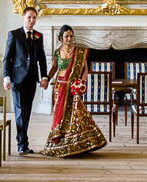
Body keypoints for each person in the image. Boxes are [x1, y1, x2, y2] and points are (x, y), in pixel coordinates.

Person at [41, 25, 108, 157]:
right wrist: (47, 79)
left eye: (71, 36)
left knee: (75, 115)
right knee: (59, 116)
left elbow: (85, 70)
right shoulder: (57, 52)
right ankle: (59, 144)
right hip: (59, 87)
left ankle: (76, 144)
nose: (69, 38)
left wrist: (80, 84)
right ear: (61, 38)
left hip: (73, 87)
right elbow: (54, 68)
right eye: (66, 36)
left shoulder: (80, 52)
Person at [3, 7, 49, 155]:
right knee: (20, 111)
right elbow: (7, 58)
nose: (32, 20)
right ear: (23, 17)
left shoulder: (38, 36)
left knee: (27, 111)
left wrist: (44, 77)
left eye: (34, 17)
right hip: (17, 79)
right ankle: (22, 144)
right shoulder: (14, 35)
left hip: (31, 79)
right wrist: (6, 77)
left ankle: (23, 141)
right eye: (29, 17)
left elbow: (41, 58)